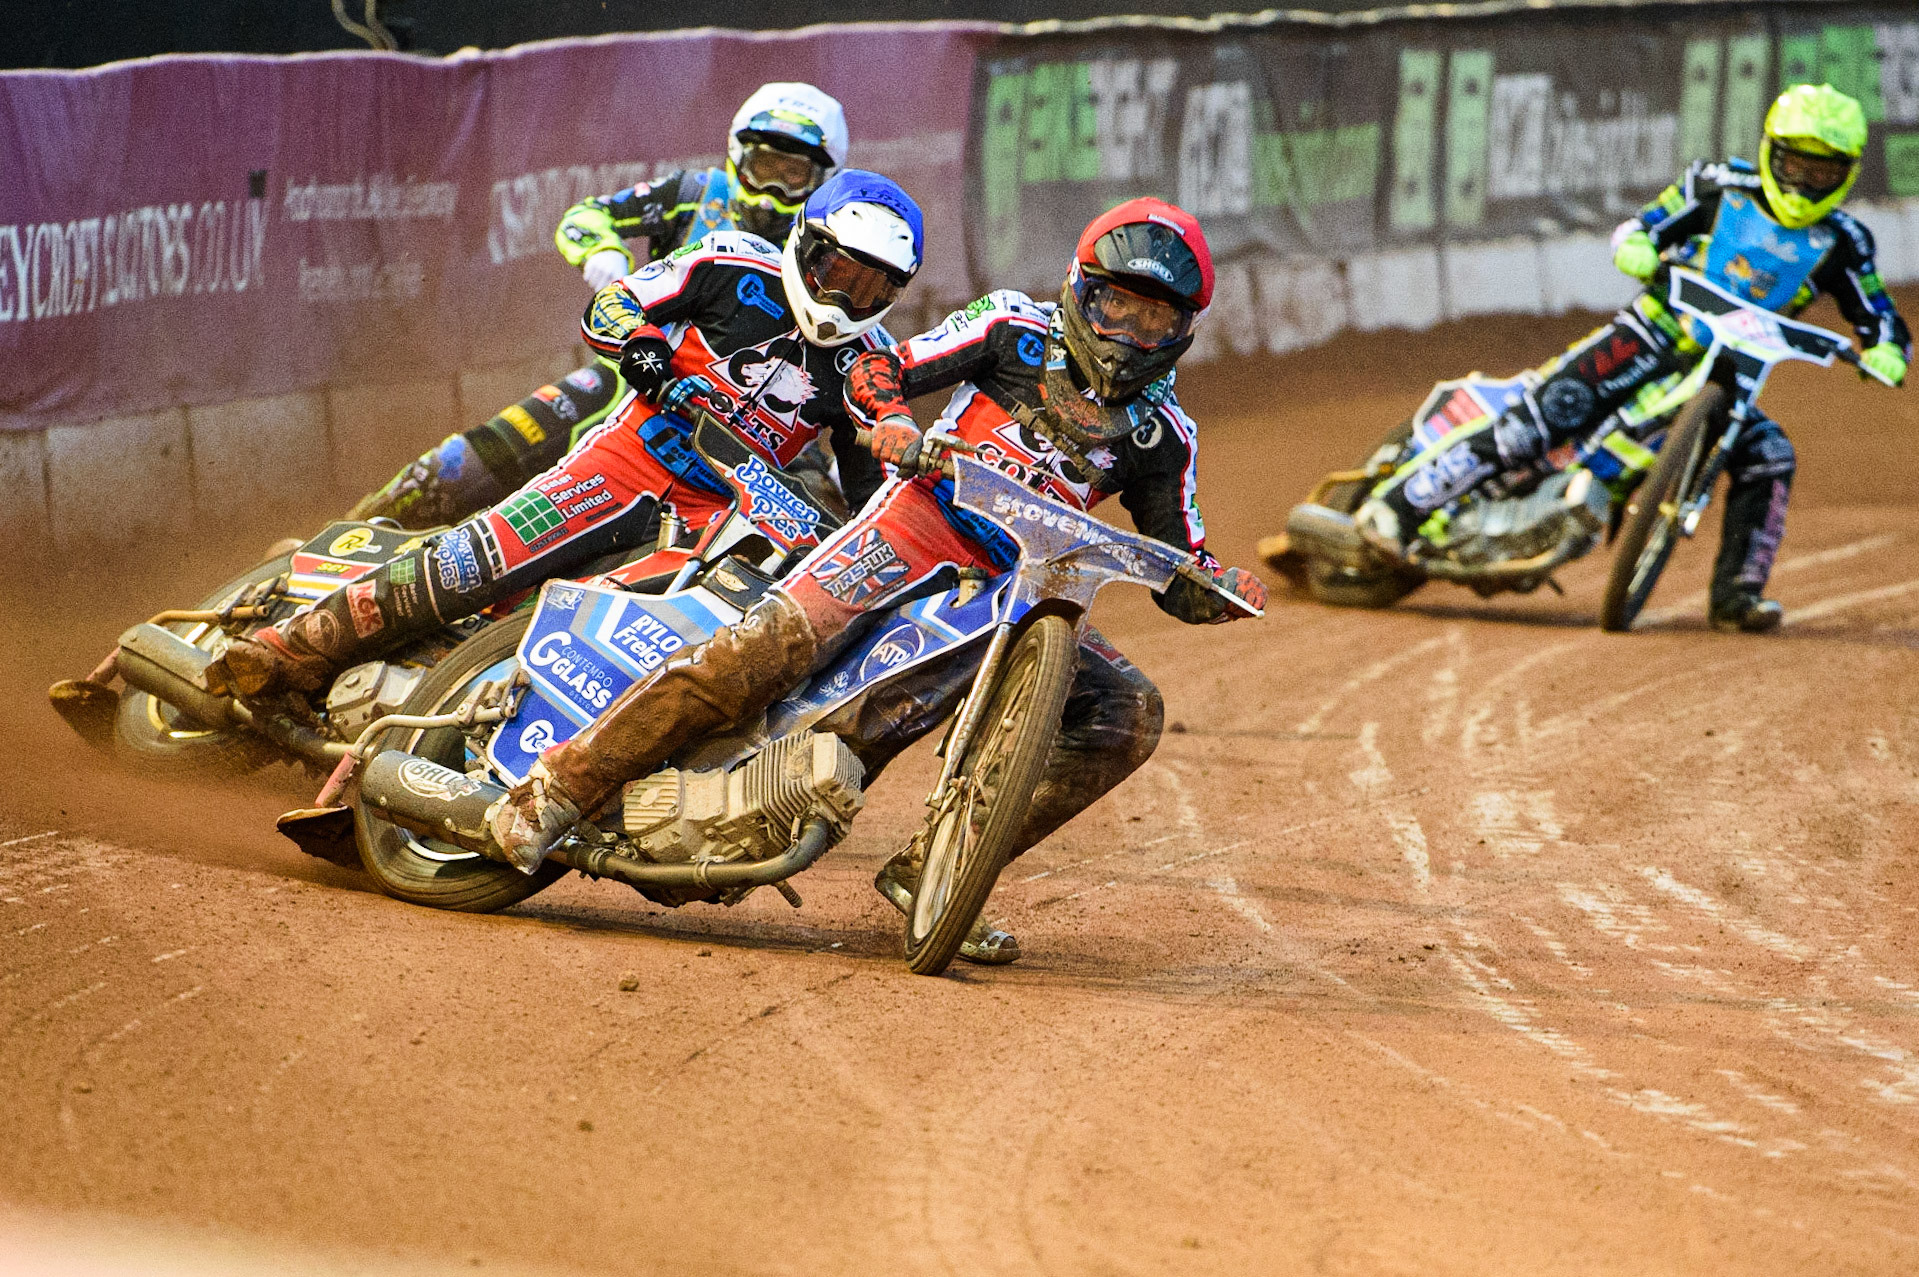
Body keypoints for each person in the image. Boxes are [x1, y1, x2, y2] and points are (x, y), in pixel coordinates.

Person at [485, 198, 1268, 965]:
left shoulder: (1163, 434)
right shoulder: (1012, 326)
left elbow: (1177, 566)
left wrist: (1217, 590)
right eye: (1115, 308)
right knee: (767, 652)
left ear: (1183, 332)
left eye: (1154, 322)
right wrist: (890, 417)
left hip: (1025, 589)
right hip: (918, 522)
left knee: (1128, 710)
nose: (1129, 336)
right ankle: (554, 788)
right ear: (1078, 288)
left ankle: (937, 866)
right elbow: (880, 362)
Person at [204, 170, 922, 699]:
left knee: (649, 646)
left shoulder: (870, 361)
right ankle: (290, 644)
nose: (844, 299)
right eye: (837, 273)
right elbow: (613, 303)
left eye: (871, 289)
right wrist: (644, 351)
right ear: (806, 243)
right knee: (474, 560)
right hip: (629, 457)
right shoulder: (731, 263)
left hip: (715, 518)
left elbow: (871, 484)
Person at [1353, 83, 1909, 632]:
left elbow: (1879, 313)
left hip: (1733, 376)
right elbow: (1644, 224)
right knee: (1543, 417)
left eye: (1824, 172)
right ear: (1771, 154)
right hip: (1652, 331)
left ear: (1847, 173)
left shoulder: (1844, 241)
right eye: (1796, 166)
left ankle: (1738, 597)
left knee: (1770, 455)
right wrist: (1637, 244)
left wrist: (1887, 349)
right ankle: (1400, 507)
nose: (1806, 182)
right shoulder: (1718, 187)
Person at [347, 83, 851, 529]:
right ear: (738, 157)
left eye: (792, 173)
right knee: (479, 453)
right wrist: (603, 253)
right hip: (634, 371)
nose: (771, 192)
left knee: (809, 513)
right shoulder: (694, 193)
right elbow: (585, 216)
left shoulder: (827, 250)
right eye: (764, 167)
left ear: (822, 179)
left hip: (753, 427)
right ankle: (349, 531)